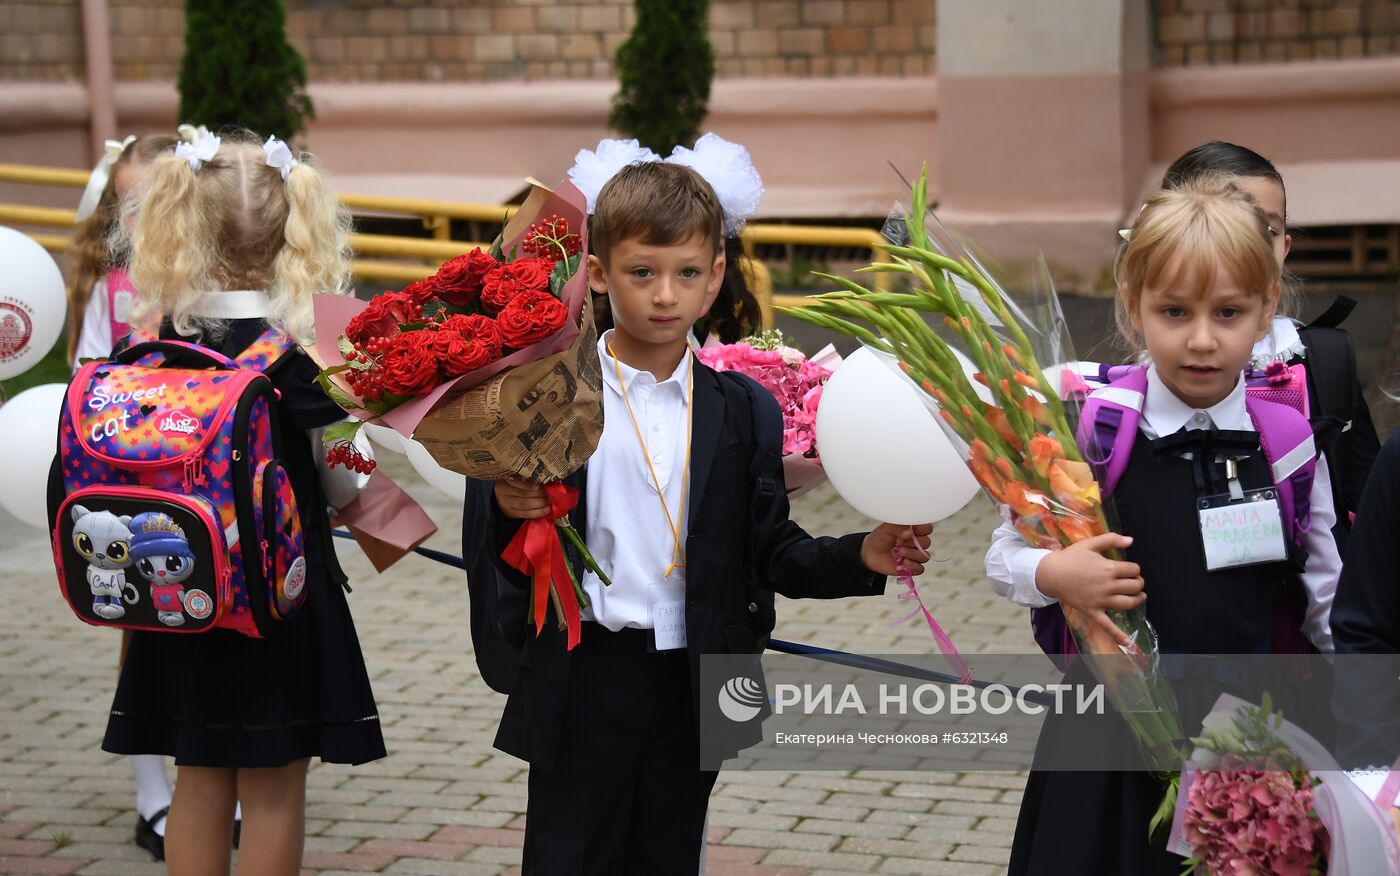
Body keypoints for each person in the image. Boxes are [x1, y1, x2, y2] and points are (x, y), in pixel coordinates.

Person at [488, 160, 932, 875]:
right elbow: (506, 536)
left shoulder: (740, 409)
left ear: (716, 277)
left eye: (688, 273)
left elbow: (770, 549)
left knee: (667, 857)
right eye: (643, 272)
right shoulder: (548, 393)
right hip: (585, 675)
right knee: (568, 858)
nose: (667, 295)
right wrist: (510, 508)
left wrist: (861, 555)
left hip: (694, 683)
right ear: (598, 273)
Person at [985, 177, 1342, 874]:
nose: (1202, 339)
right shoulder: (1093, 430)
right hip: (1108, 737)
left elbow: (1328, 599)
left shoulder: (1289, 439)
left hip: (1254, 738)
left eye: (1229, 312)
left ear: (1268, 306)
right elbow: (1003, 556)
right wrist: (1055, 573)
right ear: (1133, 306)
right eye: (1174, 311)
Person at [100, 130, 385, 876]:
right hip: (277, 598)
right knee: (273, 788)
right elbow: (348, 480)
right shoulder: (310, 352)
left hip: (181, 588)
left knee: (198, 776)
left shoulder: (160, 340)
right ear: (300, 224)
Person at [1162, 141, 1380, 551]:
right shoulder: (1138, 383)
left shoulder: (1321, 362)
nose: (1245, 247)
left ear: (1285, 246)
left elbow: (1365, 495)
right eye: (1219, 225)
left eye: (1265, 230)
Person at [68, 131, 188, 860]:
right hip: (131, 484)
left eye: (152, 202)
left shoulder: (216, 283)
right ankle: (153, 791)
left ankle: (207, 772)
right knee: (140, 626)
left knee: (200, 618)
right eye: (126, 205)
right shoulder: (113, 294)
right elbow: (85, 379)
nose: (138, 220)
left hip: (204, 485)